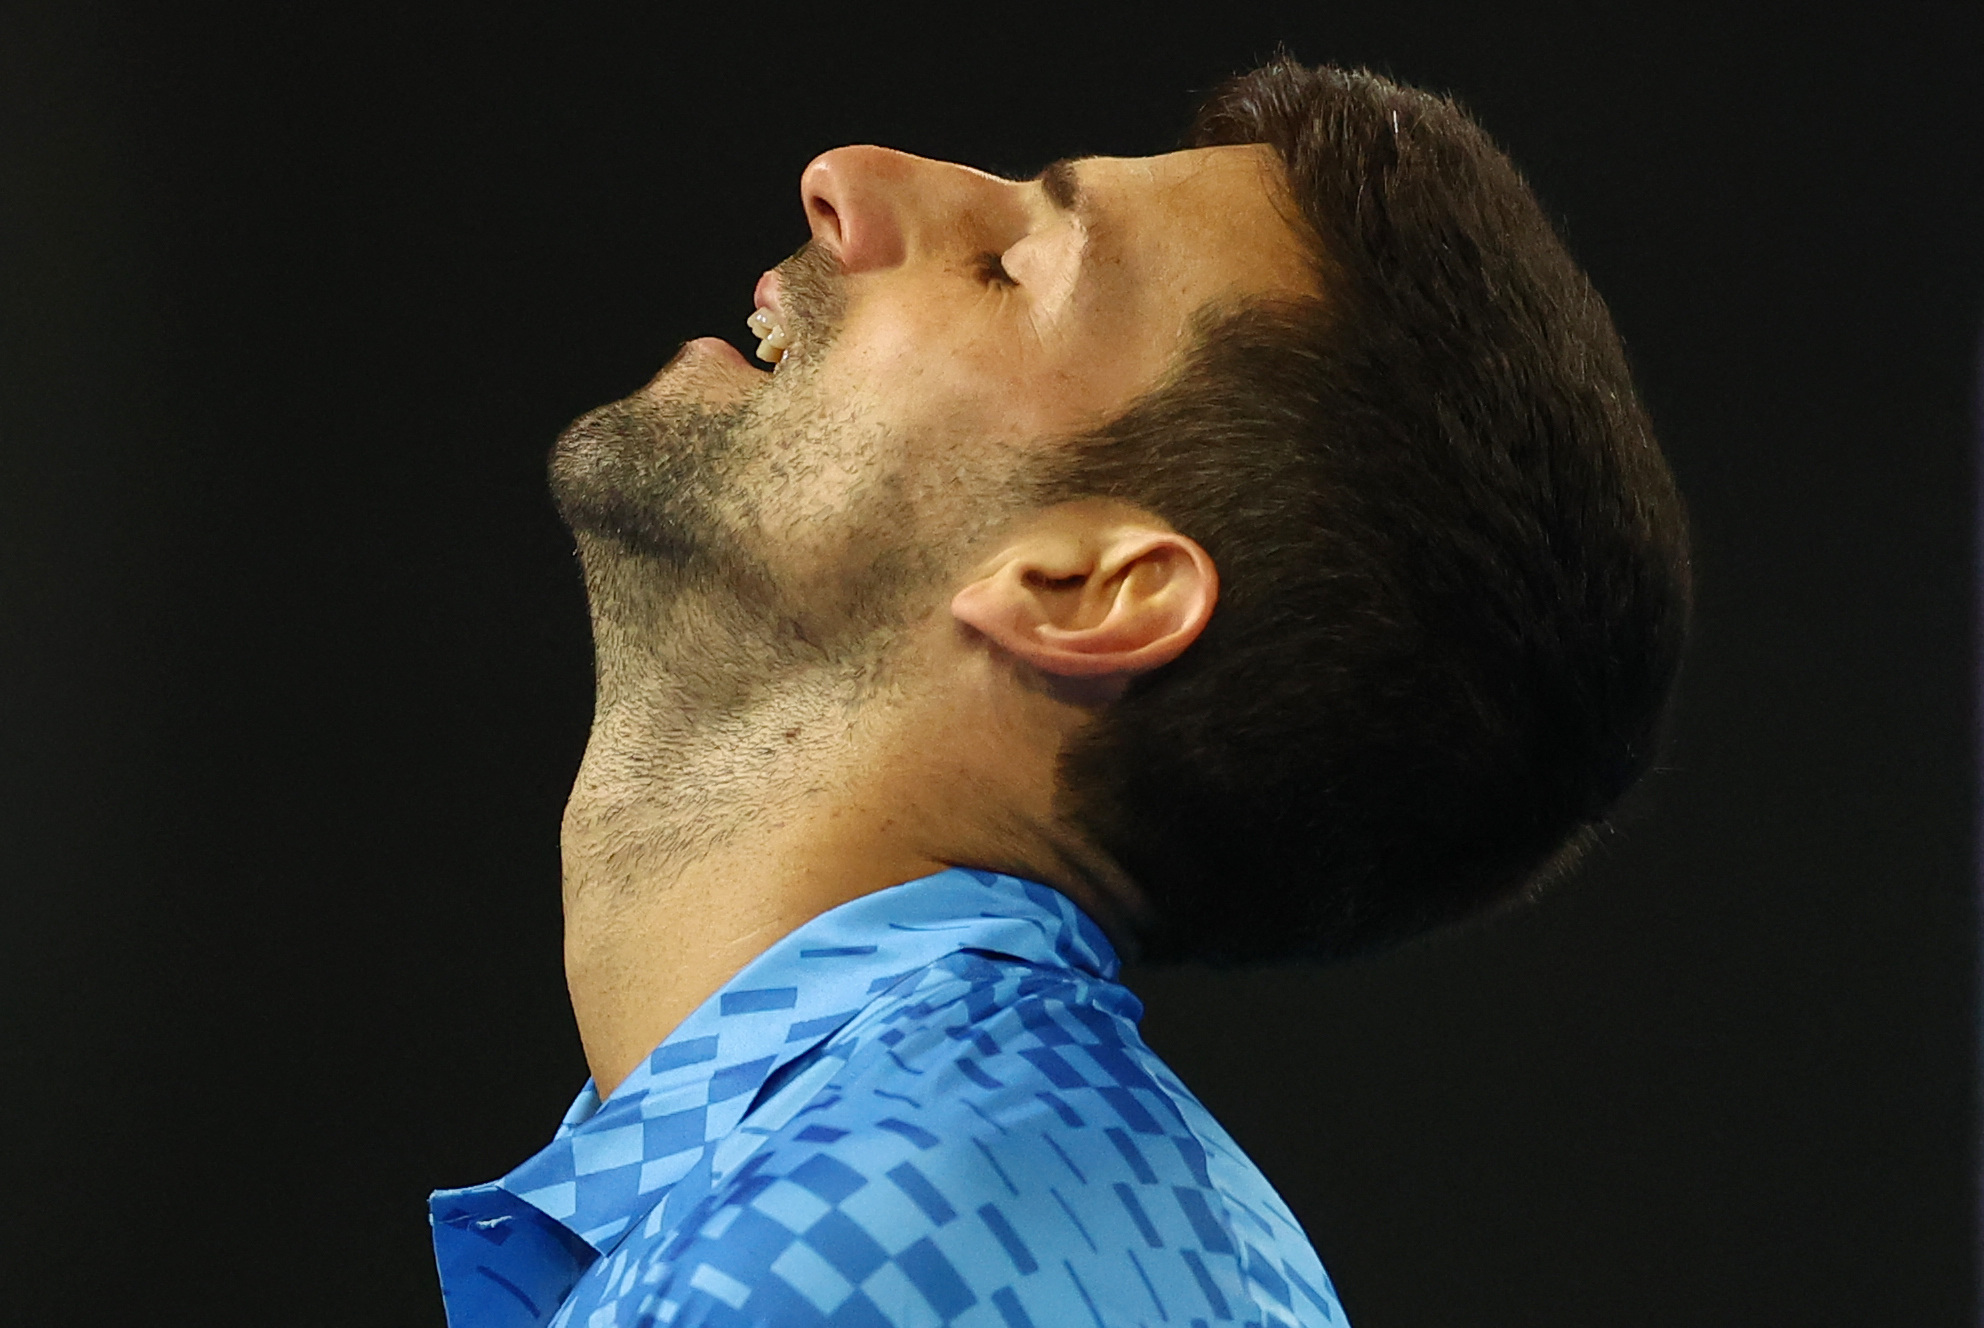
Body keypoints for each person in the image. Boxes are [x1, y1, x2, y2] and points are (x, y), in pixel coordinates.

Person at [427, 56, 1692, 1328]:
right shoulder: (894, 1207)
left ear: (1083, 588)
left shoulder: (880, 1247)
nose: (849, 181)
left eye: (1014, 264)